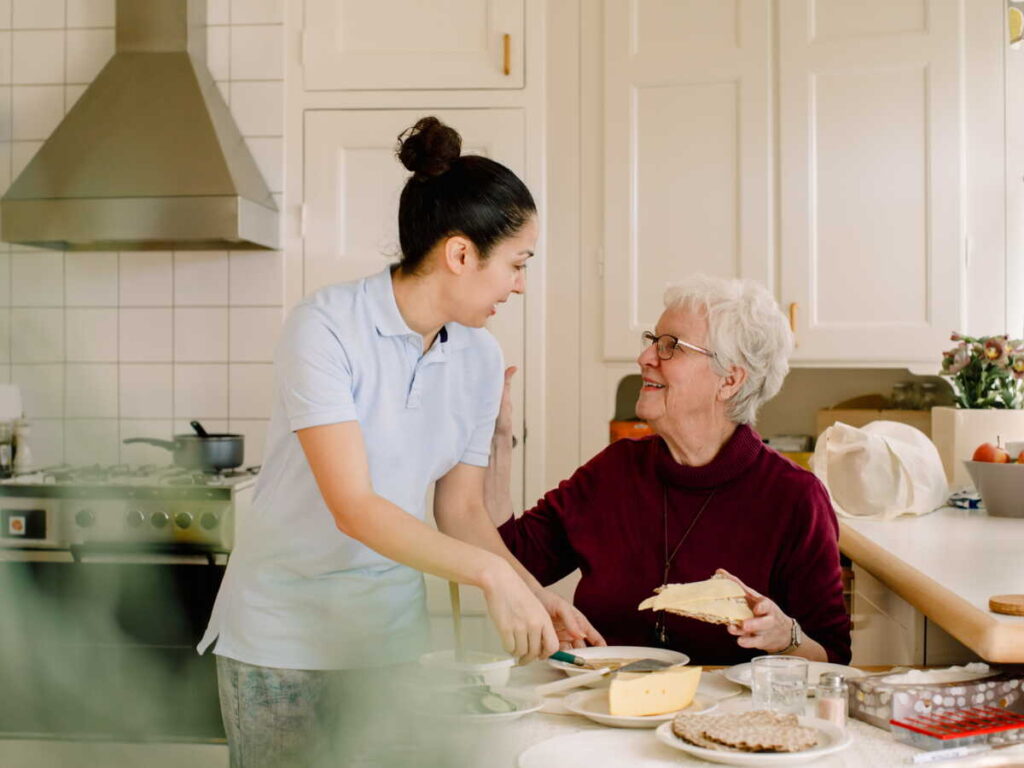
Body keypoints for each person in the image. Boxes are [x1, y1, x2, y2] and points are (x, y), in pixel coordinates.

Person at [198, 116, 603, 767]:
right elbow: (352, 506)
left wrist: (530, 592)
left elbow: (462, 509)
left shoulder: (477, 354)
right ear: (461, 254)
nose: (520, 284)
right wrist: (492, 576)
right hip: (282, 636)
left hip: (386, 640)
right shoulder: (325, 328)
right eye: (517, 263)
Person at [489, 274, 851, 665]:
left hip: (726, 720)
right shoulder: (615, 470)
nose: (645, 358)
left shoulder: (794, 497)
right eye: (652, 341)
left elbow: (832, 660)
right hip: (607, 709)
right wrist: (496, 439)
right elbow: (509, 559)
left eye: (670, 347)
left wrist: (786, 637)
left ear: (729, 379)